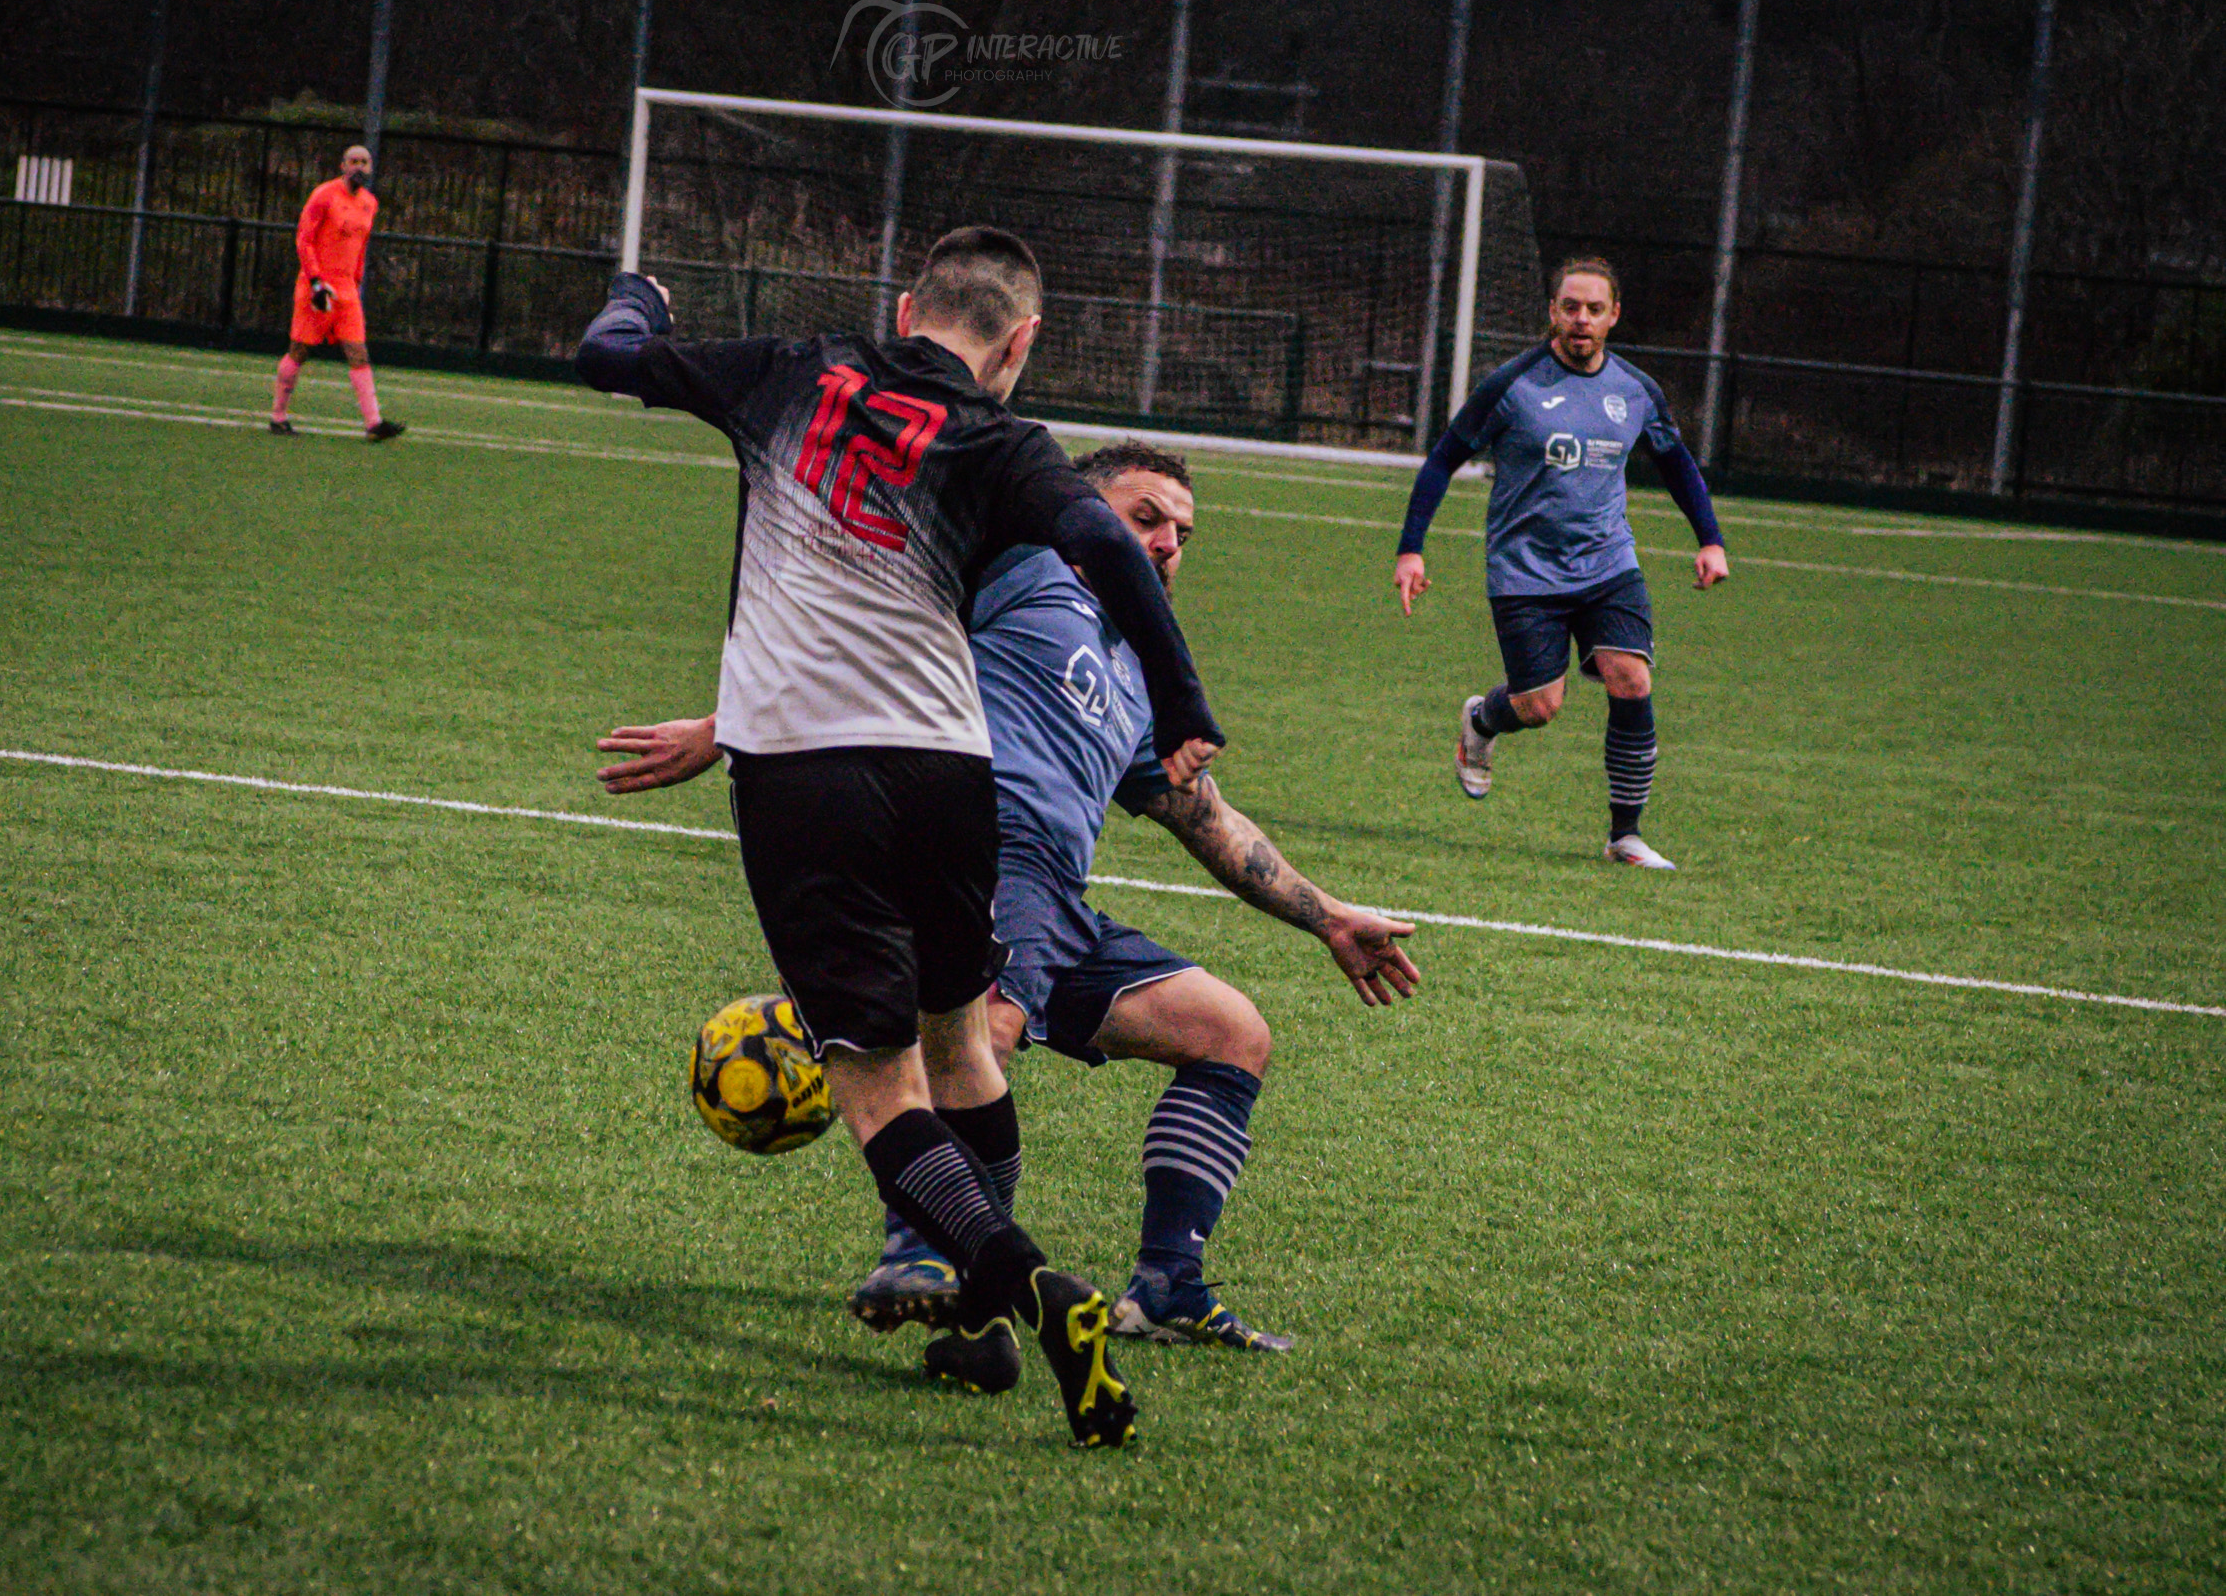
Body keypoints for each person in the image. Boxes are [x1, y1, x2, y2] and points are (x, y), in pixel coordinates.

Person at [573, 227, 1230, 1449]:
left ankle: (1028, 1287)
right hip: (948, 776)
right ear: (1020, 342)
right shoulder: (1002, 440)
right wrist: (1184, 702)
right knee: (959, 1050)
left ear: (904, 301)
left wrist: (637, 293)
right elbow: (1100, 548)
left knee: (877, 1087)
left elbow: (609, 355)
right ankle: (972, 1328)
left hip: (804, 776)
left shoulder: (789, 369)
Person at [598, 439, 1423, 1353]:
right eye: (1142, 518)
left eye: (1182, 534)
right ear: (1077, 509)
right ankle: (930, 1256)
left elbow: (1212, 824)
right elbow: (876, 636)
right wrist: (726, 727)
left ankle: (1166, 1289)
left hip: (1059, 904)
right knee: (980, 1032)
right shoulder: (1026, 572)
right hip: (983, 860)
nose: (1166, 545)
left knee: (1233, 1034)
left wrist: (1330, 915)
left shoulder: (1142, 673)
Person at [1393, 257, 1730, 869]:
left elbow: (1676, 463)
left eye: (1594, 309)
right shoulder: (1511, 385)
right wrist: (1411, 548)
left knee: (1631, 678)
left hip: (1608, 563)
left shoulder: (1636, 391)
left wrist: (1710, 538)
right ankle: (1482, 719)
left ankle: (1624, 835)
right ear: (1553, 312)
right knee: (1539, 707)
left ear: (1613, 316)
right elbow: (1443, 458)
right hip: (1525, 571)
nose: (1581, 319)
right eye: (1570, 307)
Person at [270, 144, 405, 442]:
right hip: (316, 285)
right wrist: (316, 282)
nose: (359, 167)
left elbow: (360, 248)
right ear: (343, 166)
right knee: (299, 351)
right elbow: (304, 240)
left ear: (371, 168)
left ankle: (374, 423)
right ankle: (278, 417)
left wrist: (355, 283)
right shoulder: (324, 195)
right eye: (353, 161)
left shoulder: (369, 202)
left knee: (358, 352)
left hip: (346, 290)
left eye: (365, 162)